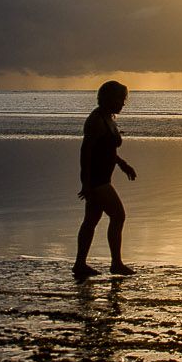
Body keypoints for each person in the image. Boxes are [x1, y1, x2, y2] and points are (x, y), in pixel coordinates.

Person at [74, 79, 137, 278]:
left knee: (91, 220)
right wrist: (86, 183)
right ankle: (116, 263)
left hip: (102, 179)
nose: (123, 103)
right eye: (120, 99)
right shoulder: (95, 121)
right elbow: (86, 153)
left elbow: (107, 150)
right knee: (118, 216)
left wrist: (121, 163)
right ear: (109, 98)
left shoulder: (108, 117)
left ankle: (80, 264)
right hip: (97, 181)